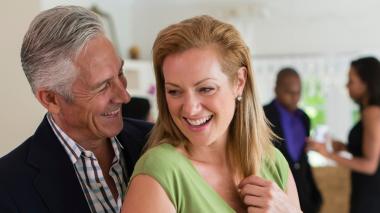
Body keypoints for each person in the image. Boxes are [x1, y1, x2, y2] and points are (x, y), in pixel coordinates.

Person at [122, 15, 301, 213]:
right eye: (174, 91)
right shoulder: (161, 172)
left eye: (206, 89)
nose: (190, 109)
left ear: (239, 82)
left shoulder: (273, 162)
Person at [0, 6, 152, 213]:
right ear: (51, 99)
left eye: (120, 73)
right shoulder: (8, 188)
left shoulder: (155, 141)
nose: (124, 96)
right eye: (102, 86)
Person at [308, 57, 380, 213]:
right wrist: (345, 147)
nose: (347, 85)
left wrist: (328, 154)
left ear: (365, 83)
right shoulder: (369, 112)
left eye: (351, 80)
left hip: (371, 196)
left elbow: (370, 165)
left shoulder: (372, 113)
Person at [264, 68, 322, 213]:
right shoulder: (262, 116)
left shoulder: (304, 118)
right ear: (276, 89)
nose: (295, 97)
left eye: (298, 92)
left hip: (306, 191)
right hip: (277, 189)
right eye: (289, 92)